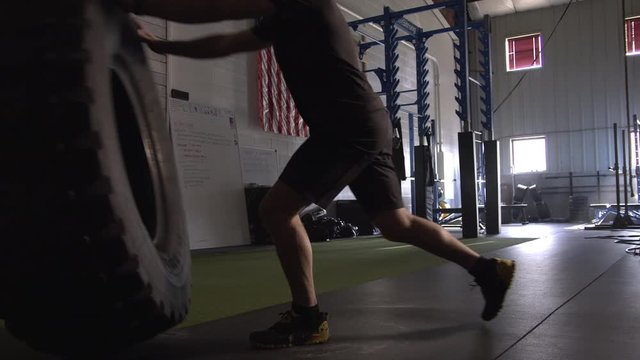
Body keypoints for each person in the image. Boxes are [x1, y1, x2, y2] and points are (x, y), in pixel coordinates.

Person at [125, 0, 516, 350]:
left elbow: (217, 9)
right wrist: (163, 46)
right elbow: (225, 43)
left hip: (346, 128)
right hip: (363, 123)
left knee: (275, 211)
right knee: (395, 223)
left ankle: (307, 318)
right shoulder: (284, 18)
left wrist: (144, 5)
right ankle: (486, 269)